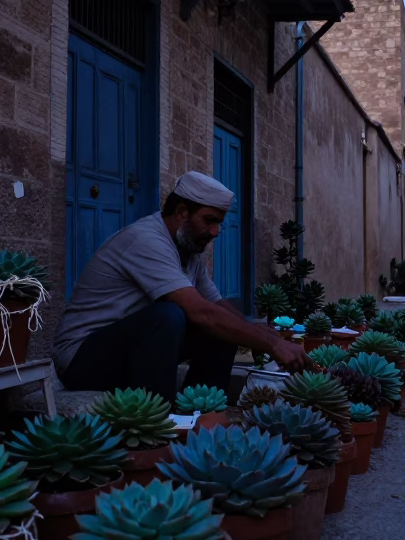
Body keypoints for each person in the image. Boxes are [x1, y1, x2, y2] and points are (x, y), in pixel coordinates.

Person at [52, 171, 313, 402]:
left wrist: (270, 336)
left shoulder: (188, 252)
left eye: (219, 223)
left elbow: (216, 306)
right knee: (170, 315)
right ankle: (159, 424)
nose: (215, 232)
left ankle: (201, 410)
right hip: (80, 360)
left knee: (223, 326)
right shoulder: (147, 241)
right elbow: (201, 312)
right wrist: (270, 345)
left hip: (128, 352)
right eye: (209, 220)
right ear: (181, 213)